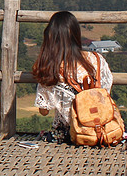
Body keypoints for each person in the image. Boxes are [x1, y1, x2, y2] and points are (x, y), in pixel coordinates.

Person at [32, 10, 114, 143]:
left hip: (70, 133)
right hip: (101, 128)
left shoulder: (50, 67)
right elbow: (106, 92)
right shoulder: (96, 59)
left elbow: (44, 111)